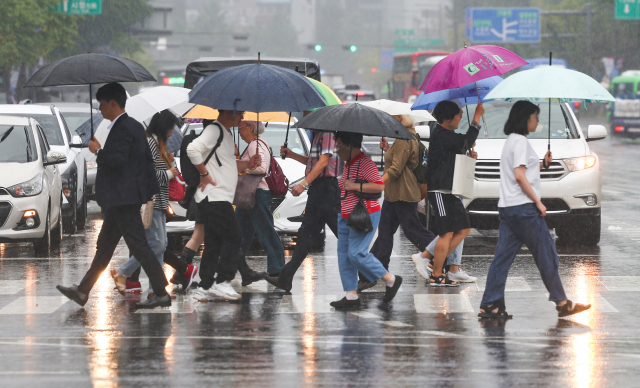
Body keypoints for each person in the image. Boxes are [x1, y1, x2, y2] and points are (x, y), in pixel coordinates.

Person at [56, 82, 170, 309]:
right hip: (123, 197)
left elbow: (117, 160)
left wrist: (97, 150)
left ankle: (161, 292)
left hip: (124, 197)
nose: (100, 110)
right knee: (105, 247)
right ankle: (82, 291)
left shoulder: (124, 128)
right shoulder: (133, 126)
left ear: (112, 103)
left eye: (101, 105)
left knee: (139, 246)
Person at [479, 101, 590, 318]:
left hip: (508, 208)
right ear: (525, 118)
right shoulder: (520, 141)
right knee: (547, 254)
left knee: (502, 259)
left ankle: (490, 304)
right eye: (535, 116)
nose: (537, 121)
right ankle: (562, 302)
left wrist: (542, 164)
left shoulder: (511, 141)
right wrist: (537, 202)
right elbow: (520, 176)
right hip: (523, 210)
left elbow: (521, 169)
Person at [110, 110, 199, 295]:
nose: (171, 132)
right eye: (171, 128)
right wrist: (169, 173)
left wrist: (170, 163)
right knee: (157, 245)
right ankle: (123, 272)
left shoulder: (158, 145)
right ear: (163, 126)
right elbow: (146, 174)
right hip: (153, 201)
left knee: (160, 245)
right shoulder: (150, 143)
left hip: (159, 202)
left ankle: (155, 288)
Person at [187, 110, 263, 302]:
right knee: (235, 236)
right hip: (215, 196)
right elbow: (192, 150)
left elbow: (226, 164)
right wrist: (204, 174)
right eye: (240, 114)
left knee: (213, 243)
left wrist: (247, 163)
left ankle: (205, 286)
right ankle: (222, 281)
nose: (242, 118)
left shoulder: (226, 134)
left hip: (218, 197)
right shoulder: (215, 130)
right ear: (229, 112)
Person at [361, 114, 436, 290]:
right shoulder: (406, 136)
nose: (390, 121)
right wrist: (388, 149)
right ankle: (374, 270)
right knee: (385, 233)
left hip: (403, 194)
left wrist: (377, 184)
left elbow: (395, 170)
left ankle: (442, 253)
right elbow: (401, 162)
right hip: (394, 195)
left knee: (413, 231)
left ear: (401, 119)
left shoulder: (404, 138)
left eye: (393, 118)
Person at [263, 126, 341, 292]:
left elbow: (323, 162)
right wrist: (292, 155)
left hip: (327, 190)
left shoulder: (327, 132)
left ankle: (369, 273)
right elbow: (313, 162)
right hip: (318, 190)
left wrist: (303, 184)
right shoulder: (318, 134)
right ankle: (285, 278)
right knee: (306, 235)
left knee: (343, 233)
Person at [331, 131, 402, 309]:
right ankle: (351, 295)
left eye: (339, 145)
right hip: (346, 215)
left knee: (356, 254)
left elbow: (379, 185)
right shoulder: (348, 163)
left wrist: (355, 185)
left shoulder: (365, 162)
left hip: (363, 216)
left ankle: (390, 279)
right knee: (344, 256)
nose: (337, 149)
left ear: (350, 145)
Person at [425, 100, 484, 286]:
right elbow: (466, 140)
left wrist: (467, 154)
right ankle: (436, 274)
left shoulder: (447, 135)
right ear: (448, 118)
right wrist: (477, 116)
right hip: (440, 190)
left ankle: (435, 262)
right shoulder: (440, 134)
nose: (460, 117)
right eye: (458, 114)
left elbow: (459, 148)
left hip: (450, 189)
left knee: (464, 228)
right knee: (446, 232)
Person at [235, 120, 285, 276]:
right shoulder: (254, 145)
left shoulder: (255, 145)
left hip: (258, 193)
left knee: (265, 230)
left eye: (240, 127)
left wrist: (244, 170)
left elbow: (261, 168)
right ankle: (232, 264)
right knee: (239, 231)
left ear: (250, 127)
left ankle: (278, 268)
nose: (238, 131)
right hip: (250, 194)